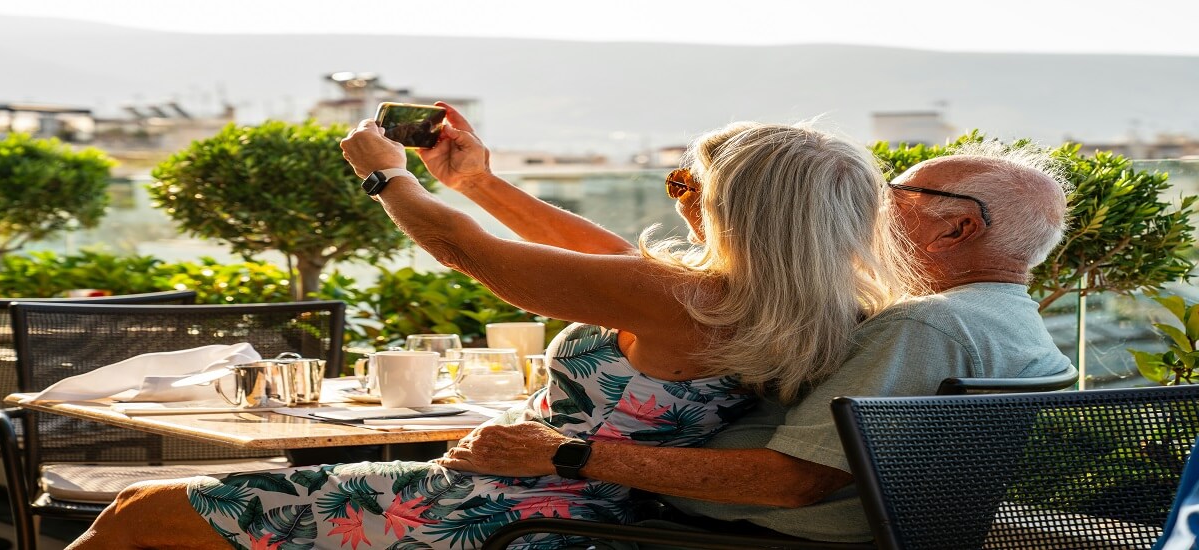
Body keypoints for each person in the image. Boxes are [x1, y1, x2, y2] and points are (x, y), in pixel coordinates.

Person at [65, 105, 922, 550]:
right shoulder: (802, 300)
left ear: (739, 206)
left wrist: (385, 176)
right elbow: (608, 256)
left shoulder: (688, 296)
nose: (678, 194)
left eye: (684, 181)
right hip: (572, 505)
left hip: (514, 508)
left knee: (144, 513)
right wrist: (475, 180)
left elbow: (468, 256)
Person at [436, 144, 1076, 544]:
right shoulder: (1001, 321)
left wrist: (568, 456)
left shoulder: (926, 327)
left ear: (958, 228)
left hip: (708, 530)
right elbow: (639, 277)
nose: (869, 209)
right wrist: (482, 184)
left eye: (895, 194)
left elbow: (793, 483)